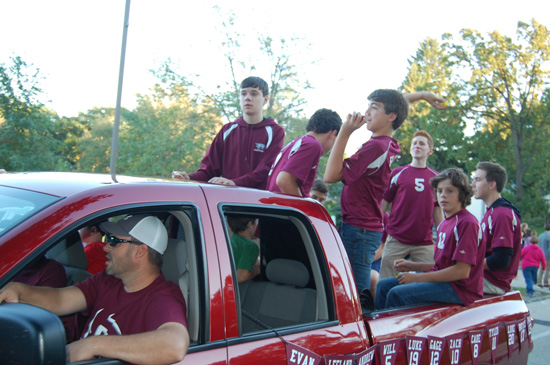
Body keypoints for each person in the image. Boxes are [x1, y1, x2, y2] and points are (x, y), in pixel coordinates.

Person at [0, 214, 189, 363]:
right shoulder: (108, 281)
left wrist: (92, 345)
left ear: (140, 251)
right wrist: (20, 291)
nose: (106, 247)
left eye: (114, 241)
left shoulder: (162, 297)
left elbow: (174, 345)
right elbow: (59, 300)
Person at [324, 89, 447, 294]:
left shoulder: (376, 147)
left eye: (374, 107)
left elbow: (329, 176)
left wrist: (344, 132)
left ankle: (363, 323)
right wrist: (423, 95)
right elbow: (395, 105)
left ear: (391, 117)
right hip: (363, 228)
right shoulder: (387, 143)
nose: (367, 112)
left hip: (359, 229)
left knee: (355, 291)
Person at [375, 168, 484, 309]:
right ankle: (378, 329)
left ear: (462, 194)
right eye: (439, 191)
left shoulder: (467, 223)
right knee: (383, 285)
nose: (443, 195)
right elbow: (442, 266)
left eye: (449, 191)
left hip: (460, 289)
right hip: (445, 282)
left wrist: (417, 277)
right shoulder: (445, 222)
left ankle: (396, 331)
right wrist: (413, 266)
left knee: (396, 294)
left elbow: (462, 271)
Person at [172, 76, 284, 189]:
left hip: (258, 201)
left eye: (254, 94)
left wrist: (234, 183)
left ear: (265, 99)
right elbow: (209, 171)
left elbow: (265, 171)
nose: (248, 98)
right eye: (243, 94)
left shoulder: (275, 132)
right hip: (228, 201)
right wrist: (188, 179)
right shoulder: (227, 131)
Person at [379, 130, 443, 279]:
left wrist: (442, 236)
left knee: (431, 279)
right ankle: (385, 303)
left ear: (430, 151)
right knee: (385, 280)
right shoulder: (397, 173)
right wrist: (375, 225)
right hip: (396, 238)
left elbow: (437, 211)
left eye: (422, 143)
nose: (417, 146)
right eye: (414, 143)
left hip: (424, 242)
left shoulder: (436, 178)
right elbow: (384, 204)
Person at [266, 109, 342, 197]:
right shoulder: (312, 145)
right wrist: (303, 207)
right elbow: (284, 181)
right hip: (283, 207)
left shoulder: (298, 142)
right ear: (333, 134)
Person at [472, 161, 522, 295]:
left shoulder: (501, 214)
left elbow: (501, 260)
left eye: (477, 180)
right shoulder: (492, 212)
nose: (473, 184)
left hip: (492, 282)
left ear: (492, 184)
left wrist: (467, 265)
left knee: (428, 286)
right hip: (485, 278)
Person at [227, 215, 260, 283]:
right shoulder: (250, 246)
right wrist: (258, 270)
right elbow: (242, 277)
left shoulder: (231, 241)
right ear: (250, 225)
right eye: (256, 222)